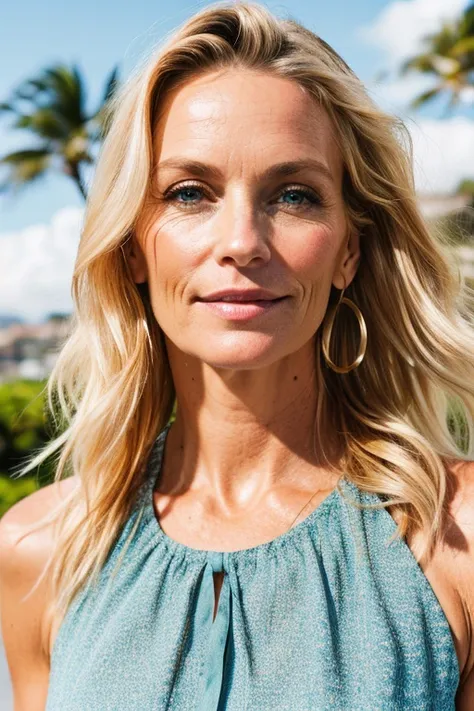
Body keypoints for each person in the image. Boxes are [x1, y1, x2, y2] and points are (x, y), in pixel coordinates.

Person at [1, 2, 473, 709]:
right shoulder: (38, 550)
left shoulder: (455, 539)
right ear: (132, 245)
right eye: (190, 193)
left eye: (293, 195)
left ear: (348, 249)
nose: (243, 241)